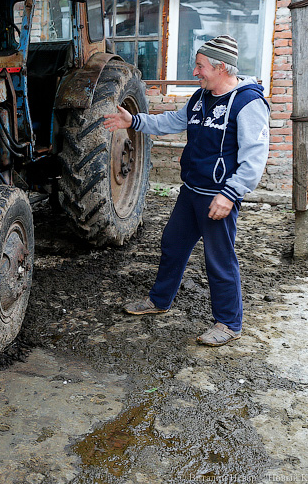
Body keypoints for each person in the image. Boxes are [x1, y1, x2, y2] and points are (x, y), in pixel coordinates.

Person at [104, 35, 270, 346]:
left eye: (200, 66)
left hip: (219, 197)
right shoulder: (199, 98)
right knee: (172, 244)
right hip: (191, 191)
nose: (195, 72)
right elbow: (171, 121)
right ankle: (160, 300)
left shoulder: (248, 104)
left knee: (219, 260)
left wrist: (230, 194)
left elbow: (255, 158)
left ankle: (229, 323)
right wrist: (134, 120)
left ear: (221, 67)